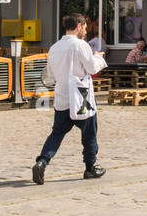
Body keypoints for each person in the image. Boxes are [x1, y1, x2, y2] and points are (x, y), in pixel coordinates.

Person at [32, 14, 106, 184]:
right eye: (85, 27)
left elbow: (50, 74)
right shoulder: (81, 45)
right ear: (79, 26)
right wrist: (99, 58)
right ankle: (90, 168)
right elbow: (92, 67)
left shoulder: (55, 47)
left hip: (62, 96)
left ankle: (42, 161)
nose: (86, 31)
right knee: (89, 134)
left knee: (56, 133)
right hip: (81, 96)